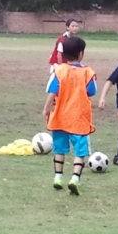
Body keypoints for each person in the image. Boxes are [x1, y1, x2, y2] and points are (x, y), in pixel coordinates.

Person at [43, 36, 97, 196]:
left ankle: (58, 177)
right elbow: (92, 91)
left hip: (60, 117)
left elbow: (52, 91)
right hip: (79, 118)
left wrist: (46, 108)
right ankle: (74, 179)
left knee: (59, 149)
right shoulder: (87, 72)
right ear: (81, 54)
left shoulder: (59, 71)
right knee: (80, 151)